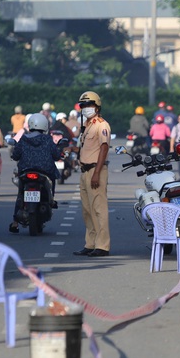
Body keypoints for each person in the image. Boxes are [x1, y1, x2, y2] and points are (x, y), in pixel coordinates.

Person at [69, 91, 111, 257]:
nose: (86, 108)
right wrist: (73, 149)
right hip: (85, 170)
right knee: (87, 210)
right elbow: (87, 147)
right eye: (83, 105)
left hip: (96, 170)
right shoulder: (87, 125)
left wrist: (96, 173)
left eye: (89, 105)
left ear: (97, 106)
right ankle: (91, 243)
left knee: (99, 208)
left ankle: (102, 246)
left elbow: (104, 147)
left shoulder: (102, 125)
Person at [8, 113, 62, 233]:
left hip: (25, 171)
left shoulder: (24, 139)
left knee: (21, 194)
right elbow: (56, 155)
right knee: (52, 178)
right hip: (45, 171)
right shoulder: (48, 139)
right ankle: (51, 199)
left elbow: (15, 155)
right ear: (44, 125)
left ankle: (15, 222)